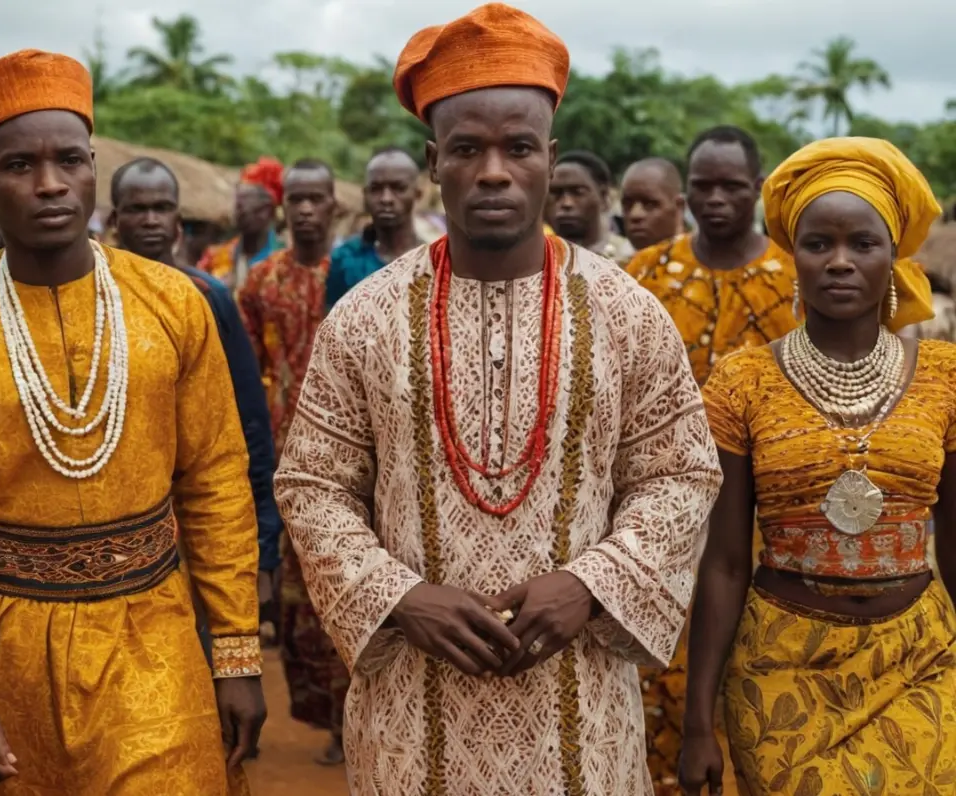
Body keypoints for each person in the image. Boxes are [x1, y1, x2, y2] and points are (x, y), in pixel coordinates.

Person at [273, 5, 723, 794]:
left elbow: (682, 473)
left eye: (517, 148)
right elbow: (312, 487)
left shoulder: (626, 313)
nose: (492, 171)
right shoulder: (366, 319)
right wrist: (401, 596)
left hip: (580, 712)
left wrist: (592, 584)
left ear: (549, 157)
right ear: (432, 162)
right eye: (466, 149)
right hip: (412, 713)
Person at [0, 50, 265, 794]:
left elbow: (214, 480)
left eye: (71, 161)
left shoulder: (174, 303)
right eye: (20, 165)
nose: (51, 184)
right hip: (9, 652)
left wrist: (237, 654)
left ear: (92, 169)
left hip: (158, 636)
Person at [680, 137, 956, 796]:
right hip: (782, 668)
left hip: (921, 658)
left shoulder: (946, 377)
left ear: (894, 255)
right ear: (791, 254)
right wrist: (698, 723)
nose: (839, 262)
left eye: (862, 244)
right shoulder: (741, 382)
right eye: (818, 244)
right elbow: (722, 561)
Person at [624, 124, 798, 794]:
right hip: (651, 528)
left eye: (732, 186)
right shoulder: (642, 277)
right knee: (650, 701)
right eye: (703, 186)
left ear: (757, 189)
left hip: (764, 526)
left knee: (751, 690)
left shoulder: (795, 280)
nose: (716, 198)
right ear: (685, 189)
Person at [109, 156, 282, 648]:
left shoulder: (206, 296)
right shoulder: (93, 298)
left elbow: (248, 427)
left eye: (161, 208)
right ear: (115, 220)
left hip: (195, 525)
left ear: (177, 221)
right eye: (136, 209)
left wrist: (263, 551)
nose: (149, 221)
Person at [236, 159, 348, 766]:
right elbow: (249, 375)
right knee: (299, 602)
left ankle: (352, 720)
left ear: (335, 205)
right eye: (296, 199)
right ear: (285, 207)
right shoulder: (261, 283)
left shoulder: (357, 272)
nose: (306, 210)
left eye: (317, 199)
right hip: (287, 456)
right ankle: (327, 715)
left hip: (361, 462)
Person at [324, 147, 425, 309]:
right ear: (365, 195)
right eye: (376, 189)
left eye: (398, 188)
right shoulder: (344, 260)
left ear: (417, 195)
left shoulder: (437, 260)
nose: (386, 199)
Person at [198, 156, 286, 293]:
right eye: (238, 200)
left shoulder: (286, 260)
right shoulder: (216, 256)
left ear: (268, 210)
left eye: (246, 200)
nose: (239, 208)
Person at [546, 149, 635, 264]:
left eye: (577, 192)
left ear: (603, 197)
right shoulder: (532, 262)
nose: (566, 203)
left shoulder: (631, 259)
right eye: (556, 193)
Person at [619, 157, 685, 252]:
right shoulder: (609, 262)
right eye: (627, 204)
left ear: (679, 207)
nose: (635, 214)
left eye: (649, 204)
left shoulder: (702, 263)